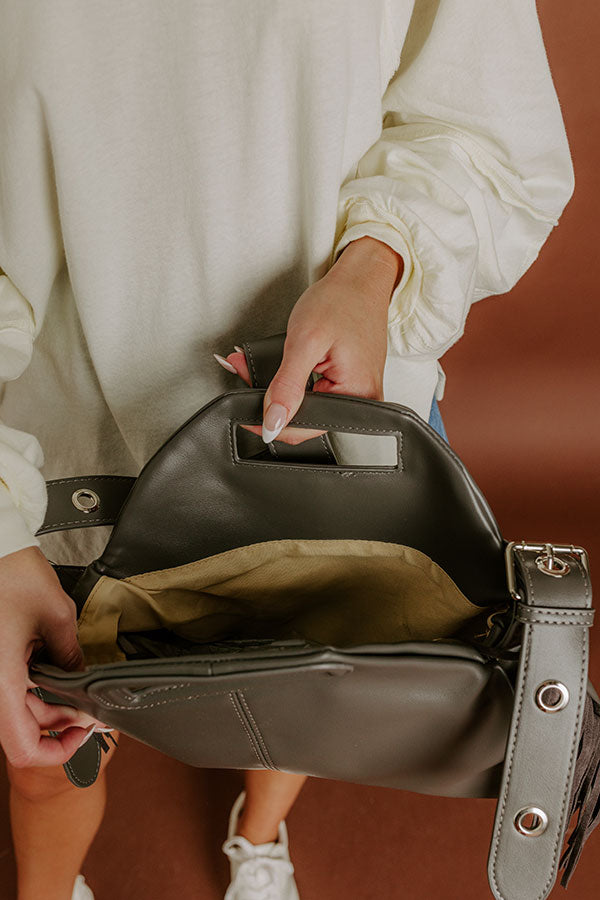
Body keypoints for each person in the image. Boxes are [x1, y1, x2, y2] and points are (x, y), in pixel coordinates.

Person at [0, 2, 574, 899]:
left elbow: (483, 122)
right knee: (48, 759)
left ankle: (258, 839)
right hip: (57, 449)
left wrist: (374, 261)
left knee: (305, 689)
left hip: (325, 429)